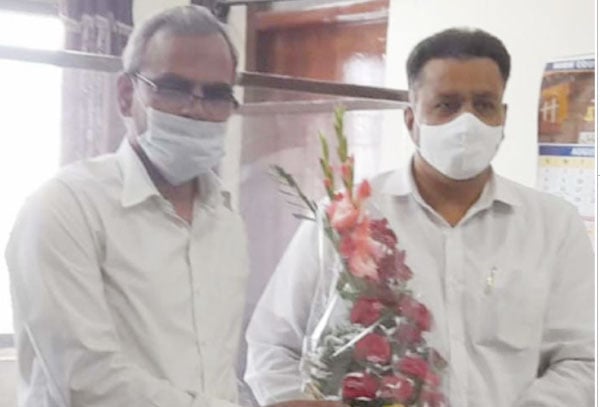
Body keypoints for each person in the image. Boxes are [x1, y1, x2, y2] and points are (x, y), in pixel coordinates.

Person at [245, 28, 594, 407]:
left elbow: (583, 359)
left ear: (503, 117)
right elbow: (272, 346)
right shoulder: (346, 218)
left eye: (484, 104)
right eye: (446, 105)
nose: (467, 121)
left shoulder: (553, 226)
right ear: (411, 120)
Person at [6, 5, 251, 406]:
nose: (195, 109)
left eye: (216, 95)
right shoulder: (65, 208)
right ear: (125, 95)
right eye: (173, 88)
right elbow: (87, 382)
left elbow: (216, 372)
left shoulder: (225, 220)